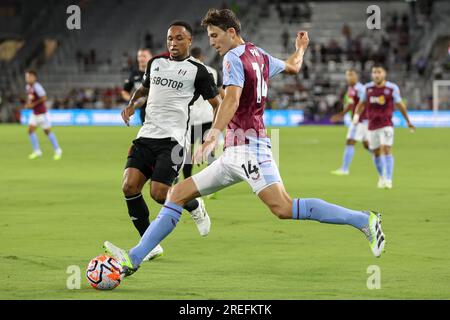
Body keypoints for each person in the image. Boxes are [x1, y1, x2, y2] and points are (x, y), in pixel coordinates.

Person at [104, 9, 385, 276]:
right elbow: (293, 67)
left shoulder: (232, 58)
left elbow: (232, 99)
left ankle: (364, 220)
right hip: (235, 151)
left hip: (250, 149)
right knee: (177, 195)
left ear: (230, 31)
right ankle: (133, 259)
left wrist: (213, 134)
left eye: (214, 35)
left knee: (283, 208)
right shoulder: (258, 54)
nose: (212, 42)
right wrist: (300, 49)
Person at [116, 21, 222, 262]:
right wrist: (132, 104)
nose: (173, 43)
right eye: (170, 39)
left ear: (189, 41)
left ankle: (194, 205)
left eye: (179, 39)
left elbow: (218, 104)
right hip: (146, 136)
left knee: (159, 193)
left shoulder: (198, 71)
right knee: (129, 187)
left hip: (173, 141)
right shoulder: (155, 63)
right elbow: (143, 89)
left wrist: (213, 134)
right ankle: (150, 245)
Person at [352, 64, 415, 189]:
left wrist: (408, 121)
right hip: (372, 125)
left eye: (379, 72)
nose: (376, 75)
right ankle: (381, 176)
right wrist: (356, 116)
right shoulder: (367, 88)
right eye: (374, 72)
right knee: (376, 153)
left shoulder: (392, 88)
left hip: (386, 125)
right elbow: (361, 104)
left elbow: (400, 105)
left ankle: (389, 179)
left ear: (384, 74)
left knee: (386, 149)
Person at [183, 47, 224, 199]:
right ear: (202, 56)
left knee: (187, 153)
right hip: (209, 117)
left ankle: (186, 184)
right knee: (210, 152)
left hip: (190, 119)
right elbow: (222, 95)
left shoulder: (185, 70)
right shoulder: (213, 71)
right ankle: (212, 188)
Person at [331, 69, 369, 175]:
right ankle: (382, 157)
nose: (349, 77)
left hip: (360, 120)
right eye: (347, 75)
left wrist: (356, 117)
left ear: (356, 76)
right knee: (367, 145)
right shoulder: (351, 88)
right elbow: (351, 105)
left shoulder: (360, 88)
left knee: (350, 142)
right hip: (361, 120)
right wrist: (341, 115)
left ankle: (344, 169)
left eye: (351, 75)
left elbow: (363, 104)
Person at [24, 70, 62, 160]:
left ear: (34, 77)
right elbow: (30, 98)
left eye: (29, 76)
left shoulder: (37, 87)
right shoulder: (28, 87)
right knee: (30, 131)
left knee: (47, 132)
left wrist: (33, 104)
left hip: (42, 113)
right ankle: (37, 151)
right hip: (35, 113)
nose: (27, 78)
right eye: (27, 77)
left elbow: (44, 97)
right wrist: (28, 104)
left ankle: (58, 150)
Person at [121, 48, 153, 125]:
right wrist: (132, 102)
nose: (141, 58)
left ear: (151, 57)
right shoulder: (134, 73)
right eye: (139, 56)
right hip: (143, 112)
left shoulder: (156, 71)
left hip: (158, 110)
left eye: (144, 56)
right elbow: (124, 92)